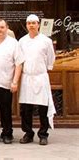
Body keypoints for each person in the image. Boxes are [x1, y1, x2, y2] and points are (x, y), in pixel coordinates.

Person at [18, 14, 56, 146]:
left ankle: (43, 134)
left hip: (40, 77)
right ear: (26, 25)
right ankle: (28, 133)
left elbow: (51, 58)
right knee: (26, 108)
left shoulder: (46, 41)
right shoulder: (22, 41)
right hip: (27, 77)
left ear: (38, 24)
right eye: (29, 23)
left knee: (42, 108)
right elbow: (19, 59)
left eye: (34, 23)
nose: (31, 25)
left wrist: (46, 68)